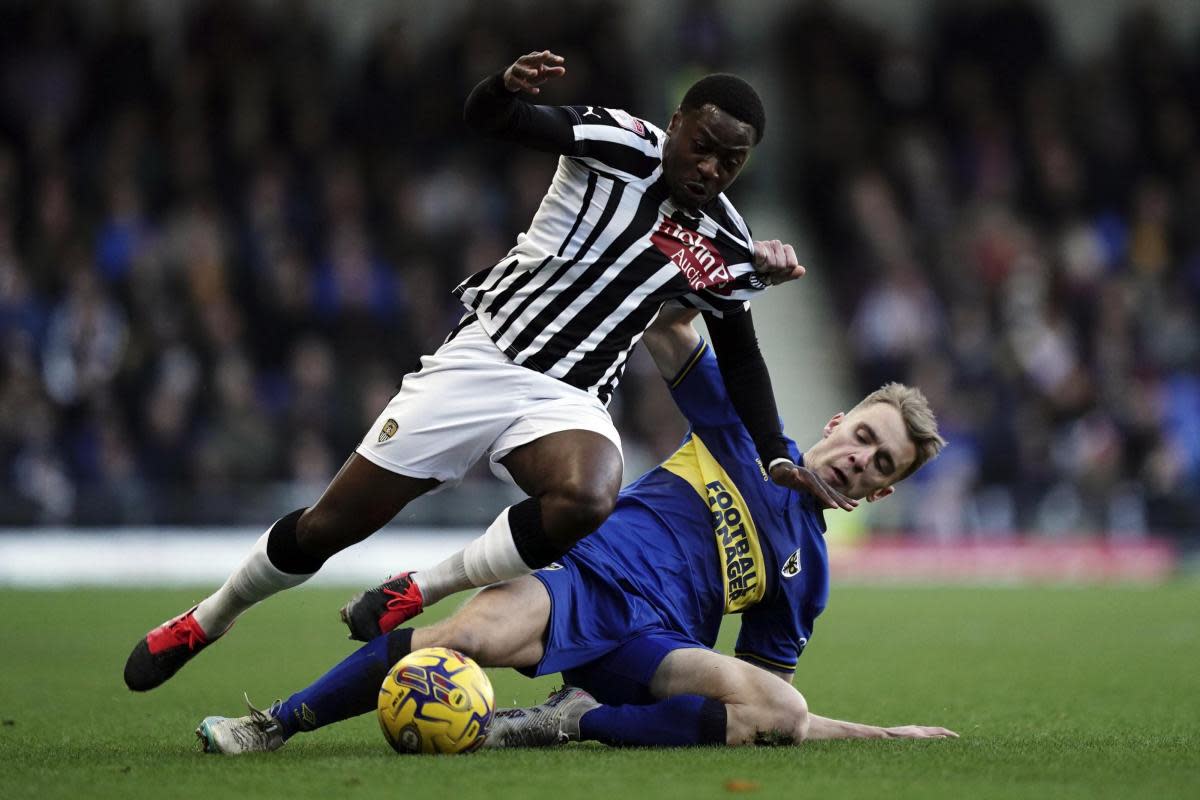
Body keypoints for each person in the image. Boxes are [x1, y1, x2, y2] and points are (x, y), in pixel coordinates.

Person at [124, 49, 856, 692]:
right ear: (677, 121)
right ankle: (208, 619)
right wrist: (501, 90)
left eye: (731, 160)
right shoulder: (618, 141)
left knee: (590, 493)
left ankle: (424, 586)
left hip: (569, 398)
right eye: (703, 146)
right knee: (327, 529)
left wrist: (770, 454)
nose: (710, 167)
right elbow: (496, 122)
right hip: (482, 361)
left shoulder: (726, 237)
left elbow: (741, 350)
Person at [195, 308, 953, 753]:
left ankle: (575, 719)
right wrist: (725, 270)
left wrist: (884, 736)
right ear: (836, 422)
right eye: (861, 434)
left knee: (781, 714)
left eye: (878, 462)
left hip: (657, 647)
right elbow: (670, 328)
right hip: (584, 580)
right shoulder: (748, 437)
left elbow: (755, 702)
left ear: (880, 490)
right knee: (464, 640)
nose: (858, 458)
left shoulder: (808, 569)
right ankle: (275, 724)